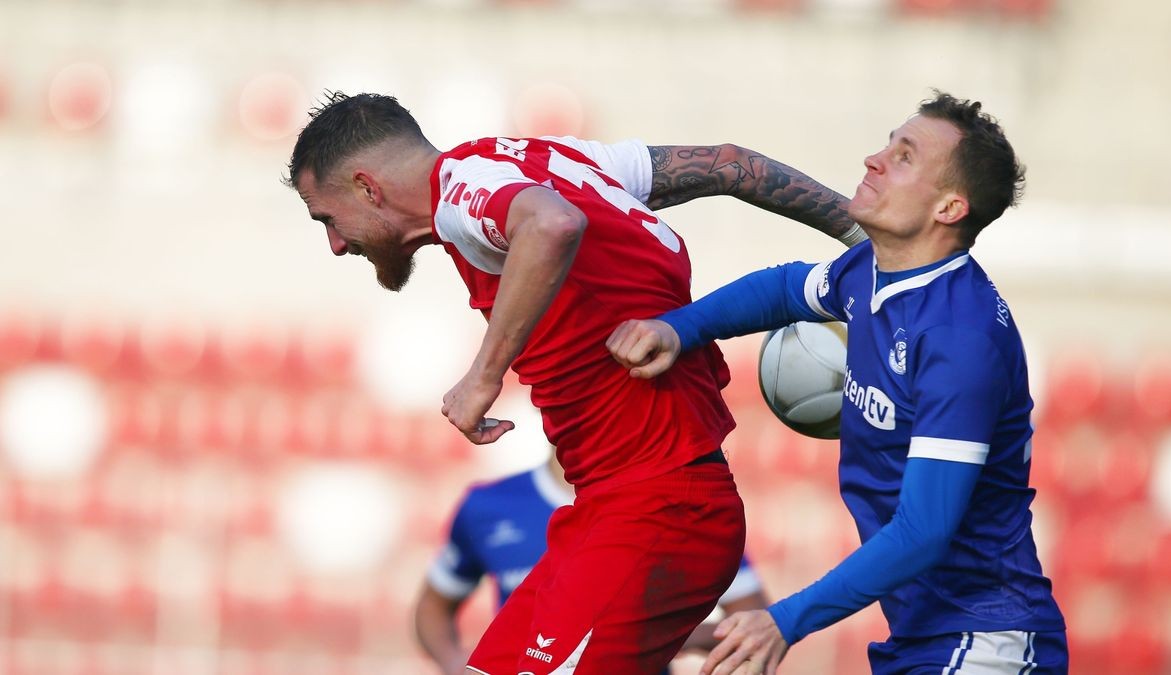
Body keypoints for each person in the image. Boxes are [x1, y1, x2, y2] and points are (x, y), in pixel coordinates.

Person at [286, 91, 864, 674]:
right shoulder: (545, 160)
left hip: (658, 510)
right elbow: (731, 164)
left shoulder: (463, 194)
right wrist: (863, 239)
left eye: (327, 219)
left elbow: (552, 223)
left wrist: (483, 377)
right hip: (605, 511)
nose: (336, 243)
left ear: (367, 187)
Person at [607, 92, 1068, 675]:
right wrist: (678, 329)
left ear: (950, 207)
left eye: (904, 157)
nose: (874, 160)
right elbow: (782, 290)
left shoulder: (960, 341)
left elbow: (925, 532)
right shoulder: (872, 270)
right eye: (887, 144)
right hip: (925, 634)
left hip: (985, 639)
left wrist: (785, 620)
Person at [413, 454, 771, 675]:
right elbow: (434, 604)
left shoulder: (678, 510)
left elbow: (752, 616)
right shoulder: (489, 505)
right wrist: (453, 661)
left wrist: (651, 633)